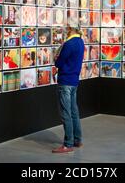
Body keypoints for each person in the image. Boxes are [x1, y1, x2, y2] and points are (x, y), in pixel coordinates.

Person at [52, 26, 85, 154]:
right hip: (74, 81)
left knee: (66, 113)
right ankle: (77, 140)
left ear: (70, 29)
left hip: (65, 81)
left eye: (67, 28)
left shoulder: (69, 44)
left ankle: (68, 144)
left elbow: (59, 63)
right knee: (74, 112)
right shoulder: (80, 41)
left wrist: (56, 59)